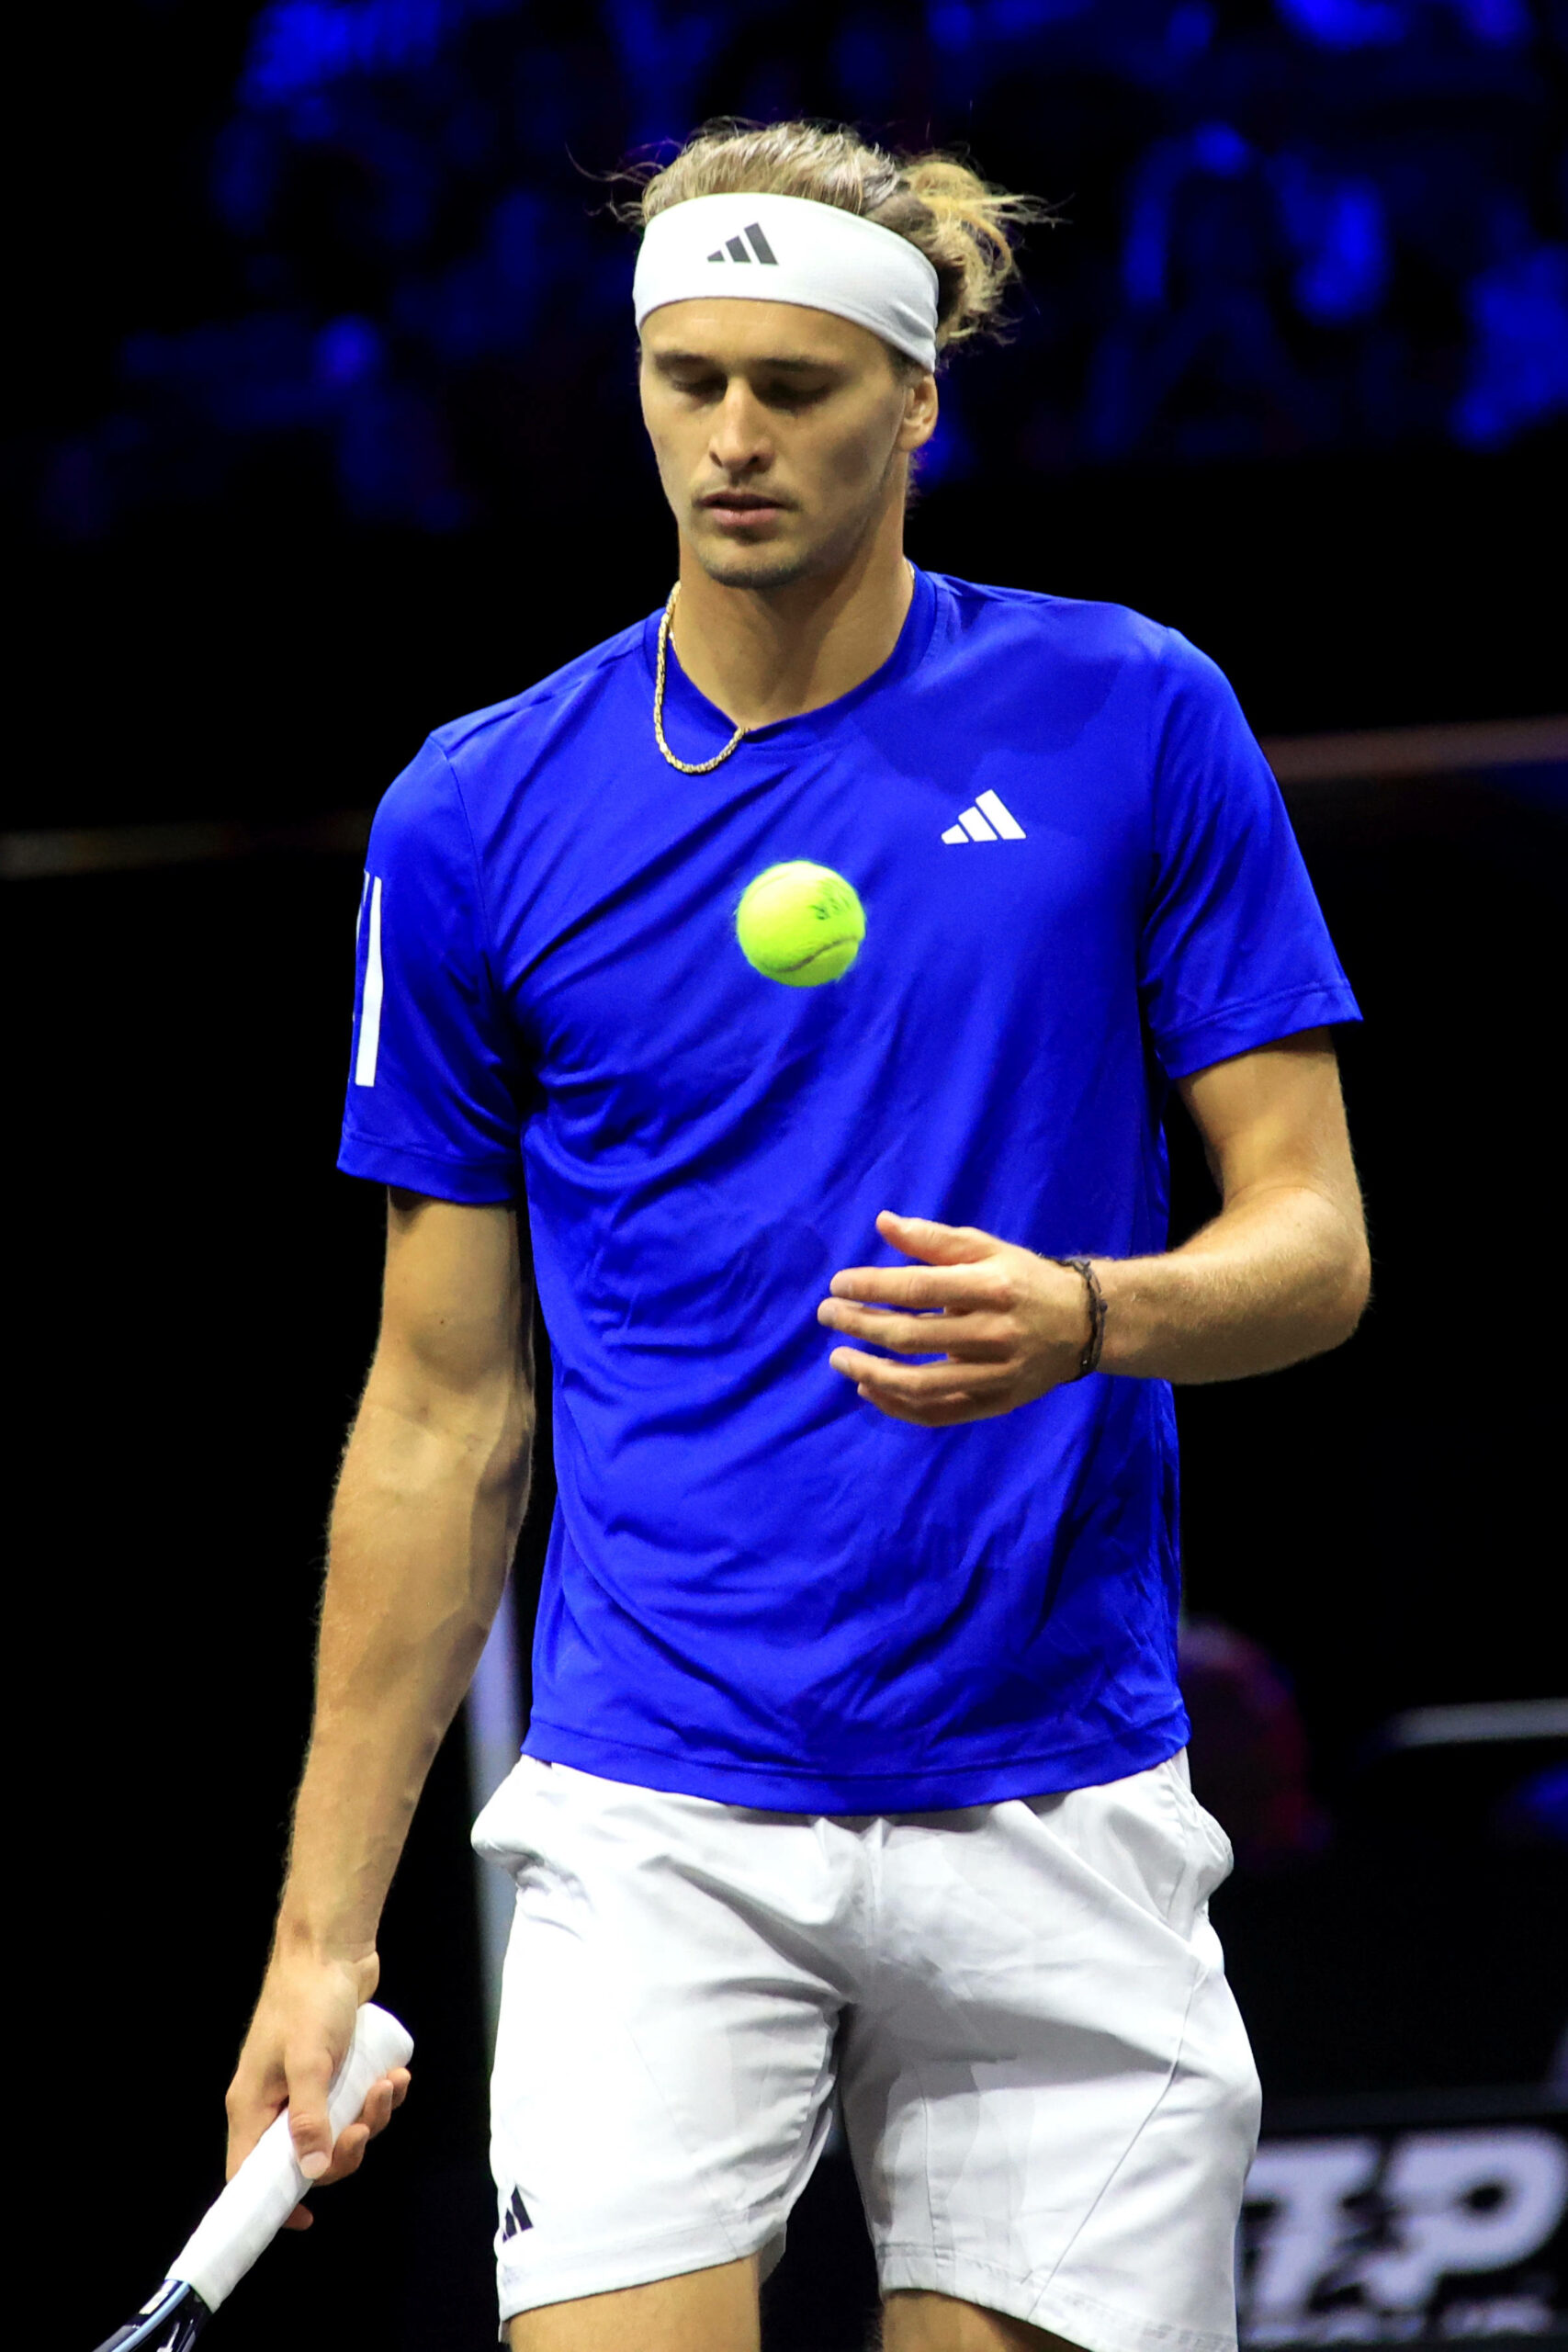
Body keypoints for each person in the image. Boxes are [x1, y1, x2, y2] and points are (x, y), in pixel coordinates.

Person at [224, 119, 1371, 2352]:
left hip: (1057, 1796)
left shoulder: (1134, 712)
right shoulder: (470, 812)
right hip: (654, 1816)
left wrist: (1094, 1312)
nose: (731, 438)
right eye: (687, 381)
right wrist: (316, 1936)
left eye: (798, 386)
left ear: (917, 395)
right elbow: (443, 1408)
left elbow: (1314, 1244)